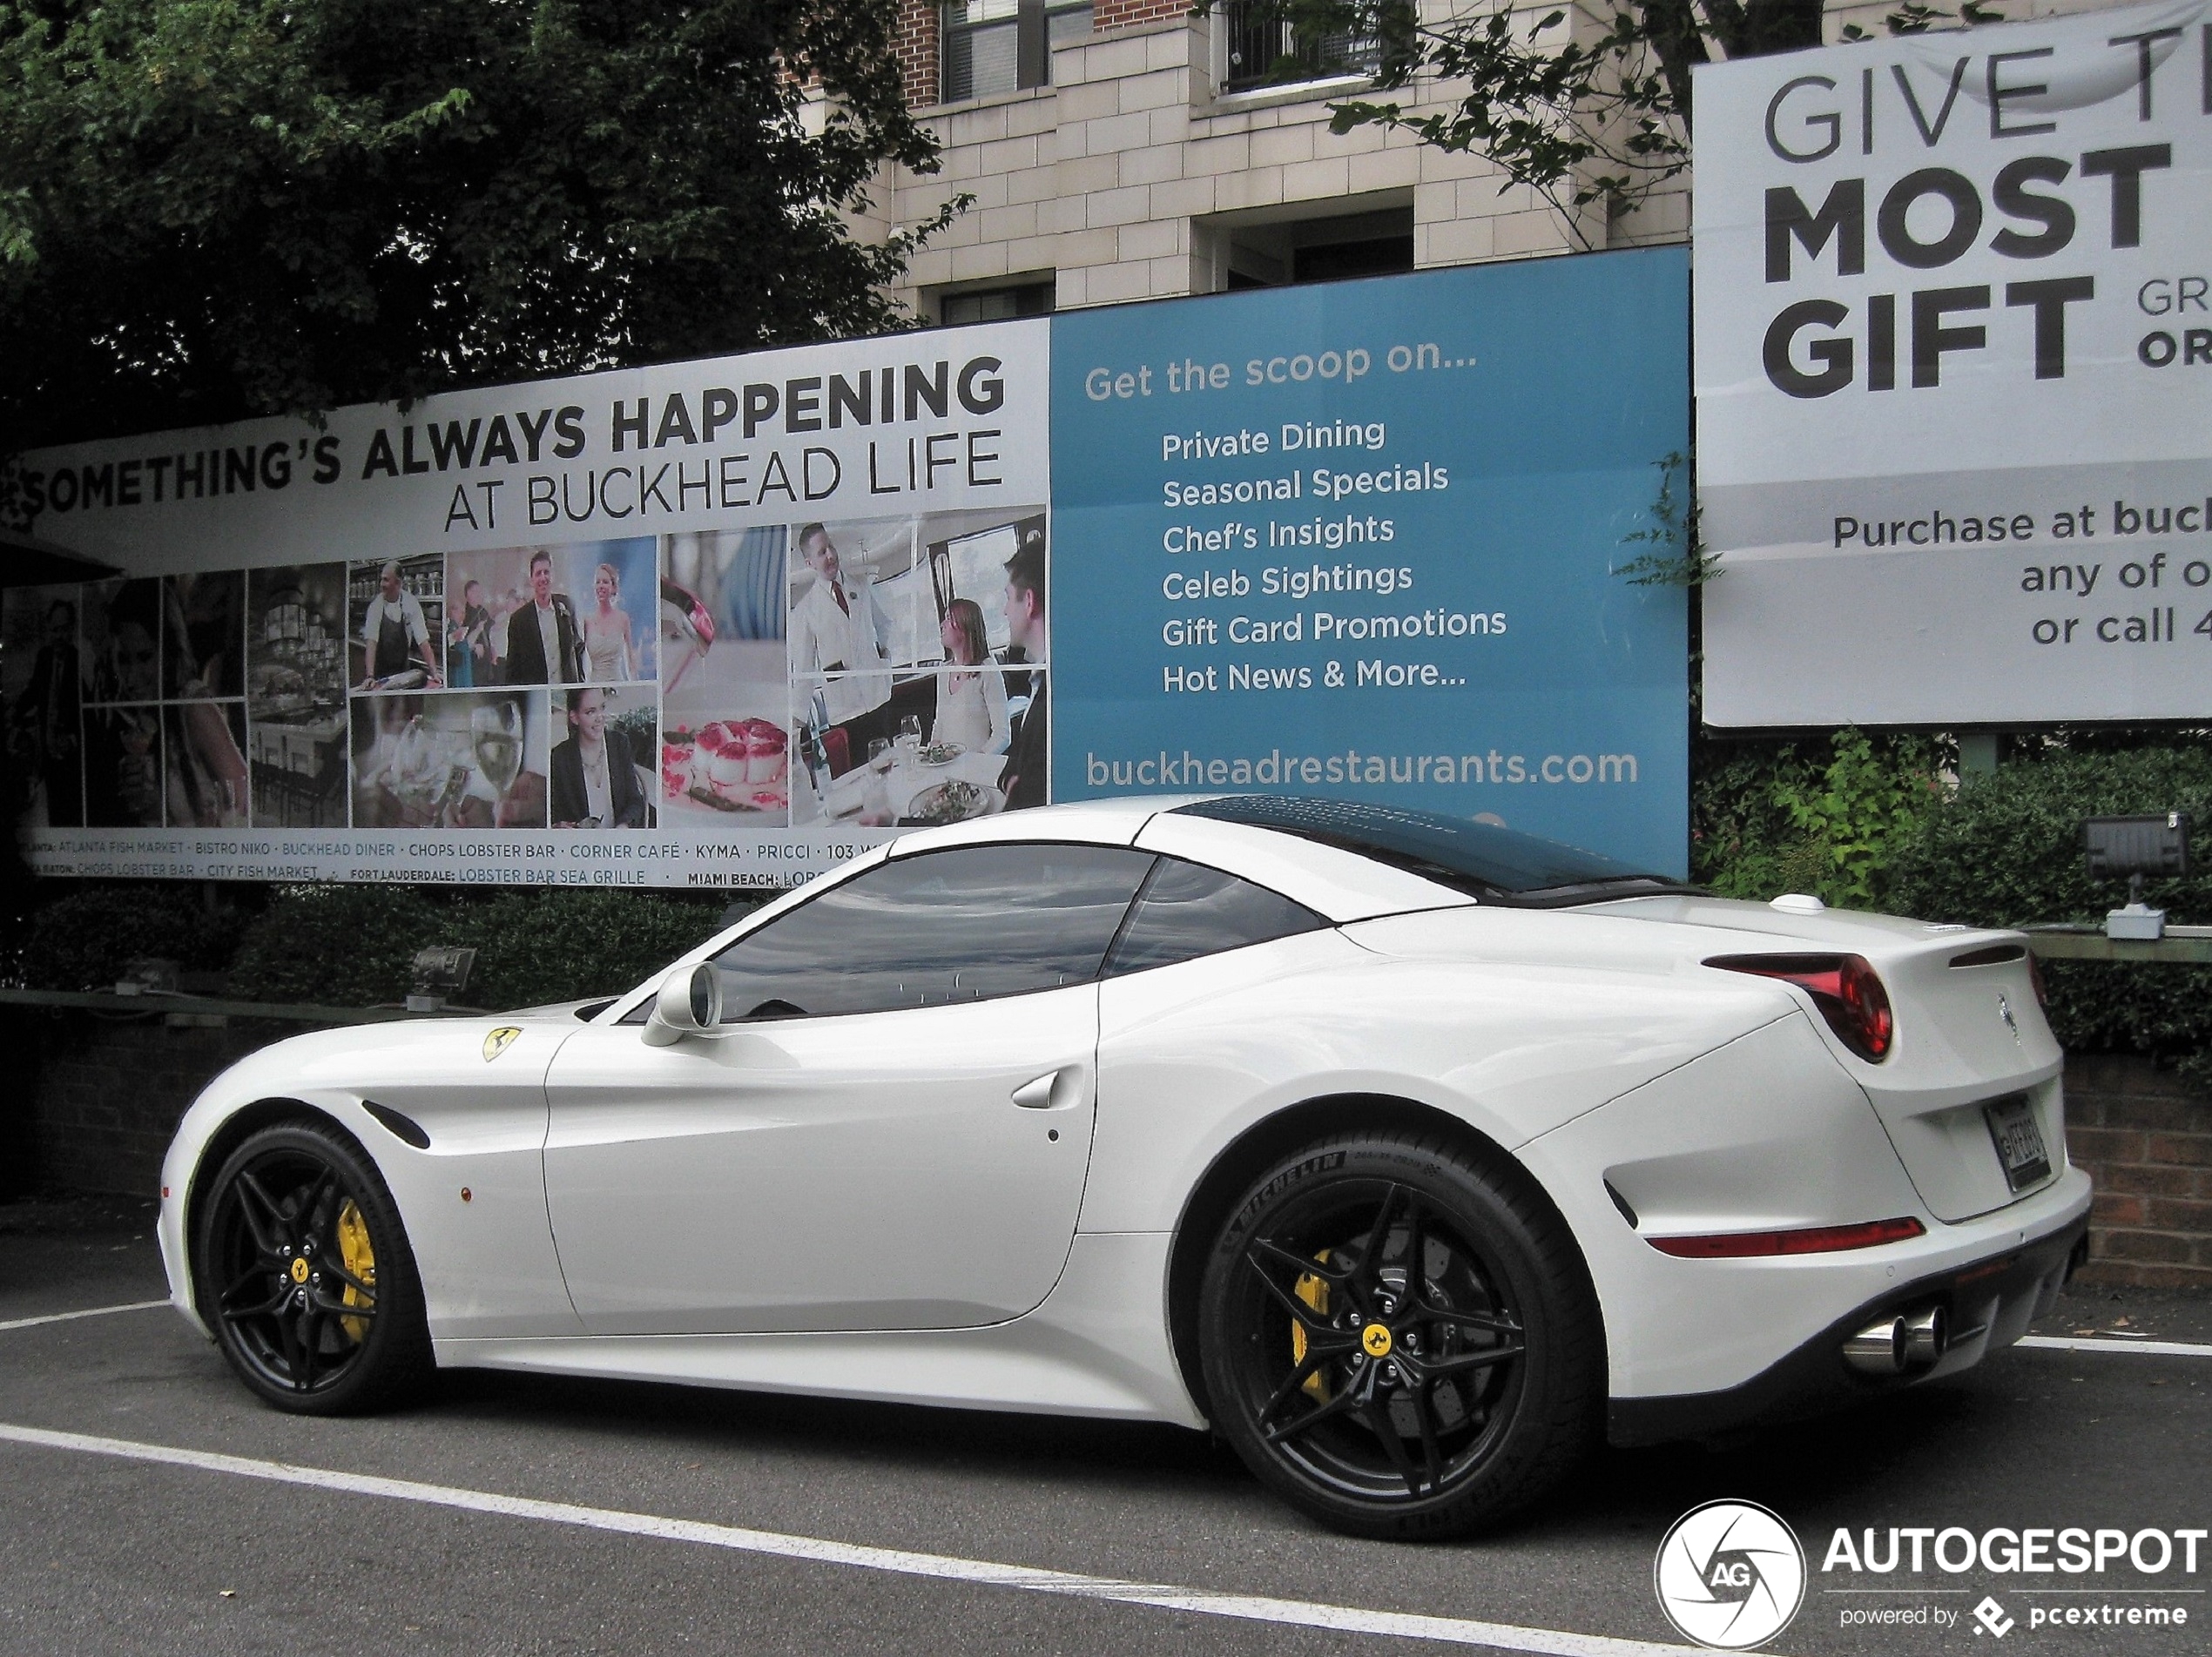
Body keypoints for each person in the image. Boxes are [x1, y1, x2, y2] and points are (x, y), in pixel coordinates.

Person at [788, 522, 894, 765]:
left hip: (878, 698)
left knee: (892, 769)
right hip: (846, 710)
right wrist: (796, 720)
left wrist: (883, 657)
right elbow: (803, 669)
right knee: (863, 780)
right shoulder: (806, 610)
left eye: (831, 547)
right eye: (822, 552)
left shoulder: (861, 587)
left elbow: (884, 624)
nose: (831, 555)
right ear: (809, 563)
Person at [10, 598, 82, 825]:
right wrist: (13, 711)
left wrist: (72, 739)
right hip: (48, 753)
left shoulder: (79, 661)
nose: (59, 636)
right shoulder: (44, 657)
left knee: (73, 815)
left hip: (72, 757)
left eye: (64, 629)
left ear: (72, 628)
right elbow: (33, 690)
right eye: (54, 630)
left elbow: (87, 713)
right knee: (55, 814)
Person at [550, 686, 647, 827]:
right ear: (575, 718)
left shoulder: (620, 743)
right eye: (591, 712)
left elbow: (635, 801)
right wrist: (558, 826)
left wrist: (624, 825)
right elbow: (555, 812)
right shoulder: (560, 756)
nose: (600, 718)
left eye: (602, 707)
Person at [999, 531, 1048, 810]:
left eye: (1008, 598)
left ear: (1028, 602)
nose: (1005, 611)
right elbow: (1015, 768)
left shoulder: (1055, 697)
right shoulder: (1040, 678)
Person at [930, 598, 1009, 755]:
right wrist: (932, 753)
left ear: (964, 626)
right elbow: (939, 724)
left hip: (975, 771)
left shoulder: (987, 671)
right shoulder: (943, 671)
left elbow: (1002, 735)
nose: (942, 625)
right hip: (945, 769)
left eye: (948, 618)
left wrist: (976, 763)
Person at [501, 549, 582, 684]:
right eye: (538, 574)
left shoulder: (567, 605)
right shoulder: (519, 620)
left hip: (568, 692)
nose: (543, 578)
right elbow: (513, 670)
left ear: (552, 576)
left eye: (546, 572)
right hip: (537, 696)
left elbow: (578, 648)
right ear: (532, 579)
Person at [358, 562, 440, 690]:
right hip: (379, 671)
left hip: (403, 670)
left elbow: (423, 641)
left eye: (385, 580)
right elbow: (371, 642)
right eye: (381, 580)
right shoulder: (376, 606)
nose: (381, 584)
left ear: (398, 583)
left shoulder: (410, 603)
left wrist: (434, 673)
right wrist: (370, 675)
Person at [583, 562, 637, 683]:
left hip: (618, 682)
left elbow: (630, 661)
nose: (601, 586)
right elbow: (581, 663)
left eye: (605, 582)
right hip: (594, 684)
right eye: (598, 582)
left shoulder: (623, 618)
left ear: (613, 587)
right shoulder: (587, 621)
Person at [446, 579, 494, 689]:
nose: (479, 594)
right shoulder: (464, 613)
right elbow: (461, 639)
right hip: (471, 661)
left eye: (480, 592)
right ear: (468, 593)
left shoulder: (483, 611)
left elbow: (491, 629)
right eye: (476, 591)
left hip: (486, 660)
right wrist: (474, 646)